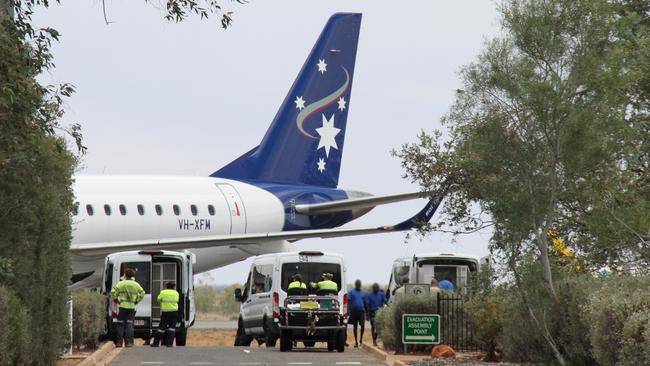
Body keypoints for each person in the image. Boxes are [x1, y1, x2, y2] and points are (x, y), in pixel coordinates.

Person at [111, 268, 145, 347]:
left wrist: (116, 298)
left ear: (125, 275)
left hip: (122, 306)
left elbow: (113, 292)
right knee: (129, 324)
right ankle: (129, 342)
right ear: (133, 276)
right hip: (131, 307)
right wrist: (137, 300)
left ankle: (119, 342)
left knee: (120, 324)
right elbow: (142, 293)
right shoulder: (136, 284)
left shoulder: (121, 283)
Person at [152, 282, 180, 347]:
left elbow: (158, 299)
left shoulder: (163, 292)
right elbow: (177, 300)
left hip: (165, 312)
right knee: (172, 328)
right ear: (174, 287)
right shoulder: (176, 293)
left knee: (161, 328)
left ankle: (156, 343)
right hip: (174, 312)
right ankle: (169, 344)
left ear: (166, 286)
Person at [348, 279, 367, 347]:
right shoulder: (351, 292)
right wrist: (348, 311)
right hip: (354, 311)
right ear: (355, 285)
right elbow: (349, 302)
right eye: (357, 284)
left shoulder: (363, 293)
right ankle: (356, 342)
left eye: (359, 285)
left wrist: (367, 313)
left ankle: (361, 339)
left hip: (361, 311)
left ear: (360, 285)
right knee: (355, 326)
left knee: (362, 325)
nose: (358, 286)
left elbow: (365, 303)